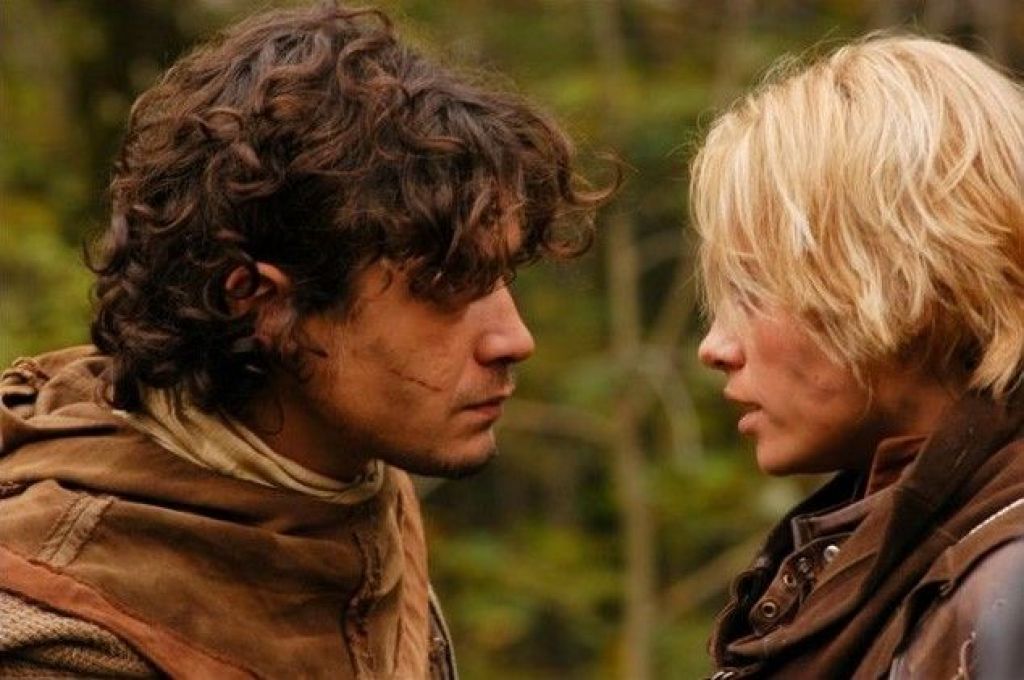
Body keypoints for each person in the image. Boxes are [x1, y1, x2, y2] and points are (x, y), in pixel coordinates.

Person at [0, 3, 605, 678]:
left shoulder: (358, 485)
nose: (515, 338)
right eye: (444, 285)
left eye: (500, 275)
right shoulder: (66, 638)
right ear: (260, 302)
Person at [691, 35, 1024, 679]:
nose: (715, 347)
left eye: (752, 291)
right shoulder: (905, 557)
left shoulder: (1006, 591)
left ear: (907, 275)